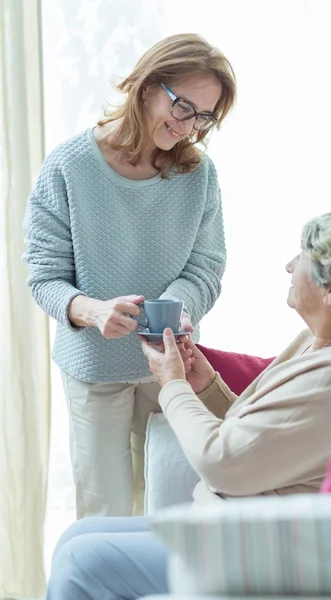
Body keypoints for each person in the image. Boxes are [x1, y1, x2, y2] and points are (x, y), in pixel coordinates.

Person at [46, 210, 331, 599]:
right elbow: (260, 437)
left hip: (259, 546)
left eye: (302, 256)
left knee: (82, 560)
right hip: (239, 522)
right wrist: (206, 384)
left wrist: (173, 383)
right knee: (78, 534)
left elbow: (222, 462)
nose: (289, 265)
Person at [23, 33, 236, 517]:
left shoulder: (198, 175)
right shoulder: (69, 167)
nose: (189, 127)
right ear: (145, 85)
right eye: (183, 107)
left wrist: (175, 309)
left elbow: (206, 267)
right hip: (95, 368)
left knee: (171, 507)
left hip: (172, 367)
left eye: (205, 117)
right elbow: (44, 276)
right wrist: (92, 310)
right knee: (105, 510)